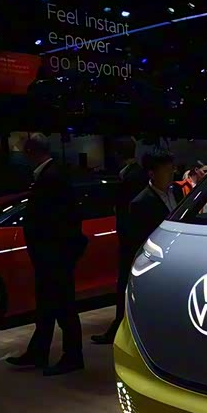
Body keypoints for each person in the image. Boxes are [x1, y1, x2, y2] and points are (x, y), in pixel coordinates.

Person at [6, 133, 87, 375]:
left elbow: (58, 220)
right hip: (51, 255)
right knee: (47, 307)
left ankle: (72, 356)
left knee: (63, 307)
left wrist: (54, 253)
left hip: (54, 256)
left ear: (31, 152)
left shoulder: (51, 178)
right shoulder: (53, 174)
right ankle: (38, 351)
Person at [91, 138, 147, 345]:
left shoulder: (130, 178)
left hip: (130, 240)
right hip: (135, 238)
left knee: (125, 284)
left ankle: (121, 327)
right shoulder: (138, 174)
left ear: (117, 154)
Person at [128, 150, 178, 252]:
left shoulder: (177, 191)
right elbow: (140, 241)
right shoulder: (140, 203)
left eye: (172, 169)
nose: (171, 173)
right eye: (166, 170)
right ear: (152, 174)